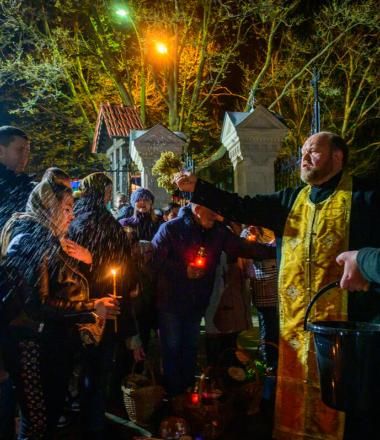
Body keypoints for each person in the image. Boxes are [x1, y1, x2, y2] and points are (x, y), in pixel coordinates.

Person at [175, 131, 380, 440]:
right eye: (303, 151)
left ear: (338, 157)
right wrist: (198, 189)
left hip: (344, 329)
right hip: (296, 325)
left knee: (344, 407)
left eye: (314, 151)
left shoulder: (366, 198)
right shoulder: (290, 200)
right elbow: (241, 206)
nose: (305, 157)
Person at [0, 171, 118, 439]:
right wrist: (91, 307)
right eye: (67, 208)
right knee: (39, 422)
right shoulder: (32, 239)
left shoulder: (48, 237)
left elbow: (59, 283)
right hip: (31, 347)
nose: (72, 215)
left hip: (48, 345)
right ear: (49, 207)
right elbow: (37, 305)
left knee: (47, 418)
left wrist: (88, 263)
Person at [151, 203, 275, 397]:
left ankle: (188, 391)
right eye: (213, 212)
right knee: (172, 348)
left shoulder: (217, 232)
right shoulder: (171, 228)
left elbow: (240, 246)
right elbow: (154, 260)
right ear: (197, 209)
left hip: (197, 300)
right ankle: (174, 396)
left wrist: (274, 251)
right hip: (170, 302)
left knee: (190, 348)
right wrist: (183, 270)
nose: (217, 216)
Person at [68, 172, 138, 439]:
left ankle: (80, 413)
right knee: (98, 368)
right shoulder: (109, 224)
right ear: (105, 194)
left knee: (80, 364)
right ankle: (94, 422)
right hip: (104, 304)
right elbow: (124, 268)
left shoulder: (72, 220)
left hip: (73, 304)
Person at [0, 126, 35, 440]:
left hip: (19, 293)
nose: (25, 156)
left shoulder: (26, 188)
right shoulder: (10, 190)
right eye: (18, 150)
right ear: (1, 150)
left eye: (27, 150)